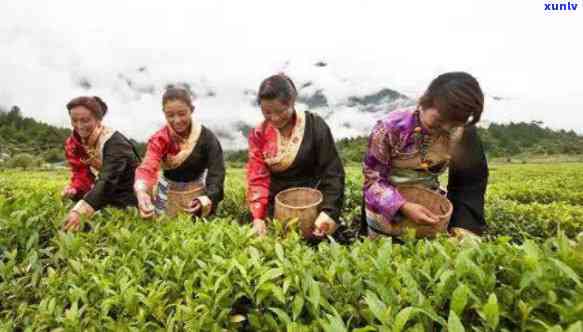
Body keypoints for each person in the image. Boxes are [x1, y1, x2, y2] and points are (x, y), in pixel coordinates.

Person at [362, 72, 488, 238]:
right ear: (424, 101)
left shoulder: (461, 133)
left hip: (429, 207)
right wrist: (403, 206)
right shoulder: (389, 129)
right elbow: (372, 181)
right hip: (385, 209)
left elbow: (469, 184)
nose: (446, 127)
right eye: (439, 121)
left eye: (455, 123)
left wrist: (463, 227)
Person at [246, 74, 345, 238]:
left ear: (292, 101)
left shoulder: (315, 126)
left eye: (281, 111)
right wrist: (259, 217)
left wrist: (329, 211)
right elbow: (257, 178)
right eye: (267, 112)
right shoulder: (259, 134)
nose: (275, 118)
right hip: (276, 207)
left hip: (313, 205)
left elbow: (332, 172)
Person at [134, 87, 225, 218]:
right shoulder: (160, 139)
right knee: (162, 229)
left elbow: (217, 172)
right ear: (164, 113)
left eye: (182, 114)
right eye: (170, 115)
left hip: (197, 195)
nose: (176, 120)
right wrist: (141, 191)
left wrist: (208, 197)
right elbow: (148, 165)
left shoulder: (206, 137)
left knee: (197, 232)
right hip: (165, 193)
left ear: (191, 110)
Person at [62, 96, 140, 231]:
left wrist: (82, 209)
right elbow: (80, 172)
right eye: (74, 120)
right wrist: (75, 189)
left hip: (128, 197)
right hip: (103, 194)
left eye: (85, 120)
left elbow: (108, 179)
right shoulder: (78, 142)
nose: (79, 126)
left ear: (98, 120)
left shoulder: (115, 143)